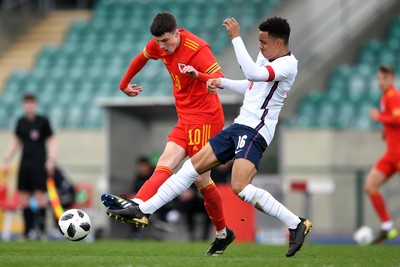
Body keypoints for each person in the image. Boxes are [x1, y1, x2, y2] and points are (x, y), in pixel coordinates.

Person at [108, 17, 312, 257]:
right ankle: (143, 209)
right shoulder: (266, 58)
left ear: (279, 43)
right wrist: (209, 79)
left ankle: (296, 223)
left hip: (256, 130)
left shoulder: (288, 65)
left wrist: (236, 37)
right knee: (189, 170)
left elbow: (253, 74)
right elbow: (250, 86)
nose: (259, 46)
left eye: (263, 42)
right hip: (239, 125)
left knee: (240, 187)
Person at [101, 12, 234, 255]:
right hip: (185, 117)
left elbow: (219, 79)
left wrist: (200, 76)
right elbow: (141, 58)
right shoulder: (159, 44)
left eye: (166, 41)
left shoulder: (197, 48)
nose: (162, 47)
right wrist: (124, 83)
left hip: (206, 119)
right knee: (165, 162)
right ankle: (138, 206)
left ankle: (223, 233)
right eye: (159, 42)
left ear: (176, 33)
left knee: (201, 180)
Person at [2, 93, 57, 239]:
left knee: (40, 196)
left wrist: (51, 159)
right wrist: (6, 159)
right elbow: (16, 141)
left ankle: (42, 230)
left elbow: (52, 140)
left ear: (35, 105)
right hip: (24, 163)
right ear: (23, 105)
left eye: (31, 103)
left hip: (39, 163)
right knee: (23, 197)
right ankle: (28, 231)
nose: (29, 106)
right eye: (27, 103)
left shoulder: (42, 121)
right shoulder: (21, 122)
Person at [365, 65, 400, 243]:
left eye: (384, 79)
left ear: (392, 79)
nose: (381, 82)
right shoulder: (385, 97)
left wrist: (379, 117)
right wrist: (386, 131)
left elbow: (399, 118)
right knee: (370, 185)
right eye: (379, 78)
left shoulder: (393, 96)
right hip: (391, 155)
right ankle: (387, 226)